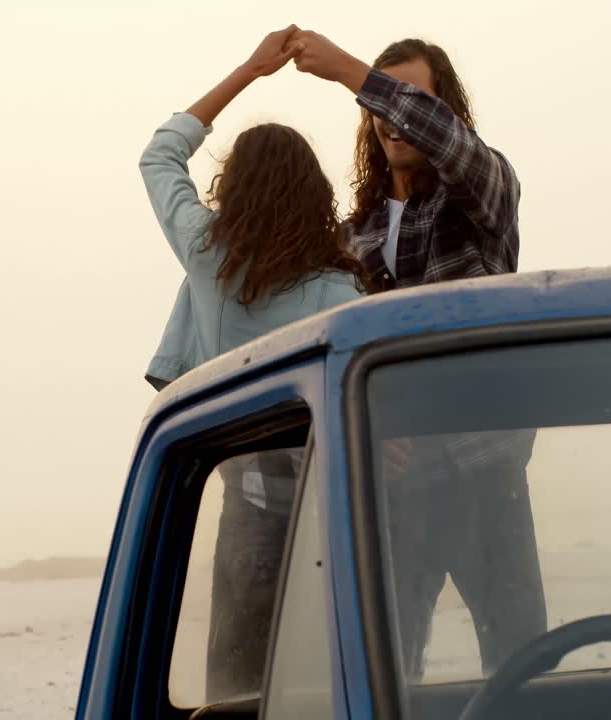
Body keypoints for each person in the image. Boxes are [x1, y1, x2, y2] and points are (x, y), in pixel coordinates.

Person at [288, 31, 547, 677]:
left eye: (409, 100)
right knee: (387, 668)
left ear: (444, 110)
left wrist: (349, 71)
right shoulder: (355, 234)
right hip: (394, 488)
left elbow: (451, 143)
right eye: (381, 104)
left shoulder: (483, 195)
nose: (390, 118)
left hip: (483, 467)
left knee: (520, 661)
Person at [138, 26, 369, 701]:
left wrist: (249, 71)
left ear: (233, 187)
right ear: (313, 193)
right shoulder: (341, 290)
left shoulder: (208, 255)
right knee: (326, 683)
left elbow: (160, 156)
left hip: (248, 497)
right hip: (326, 503)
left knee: (235, 691)